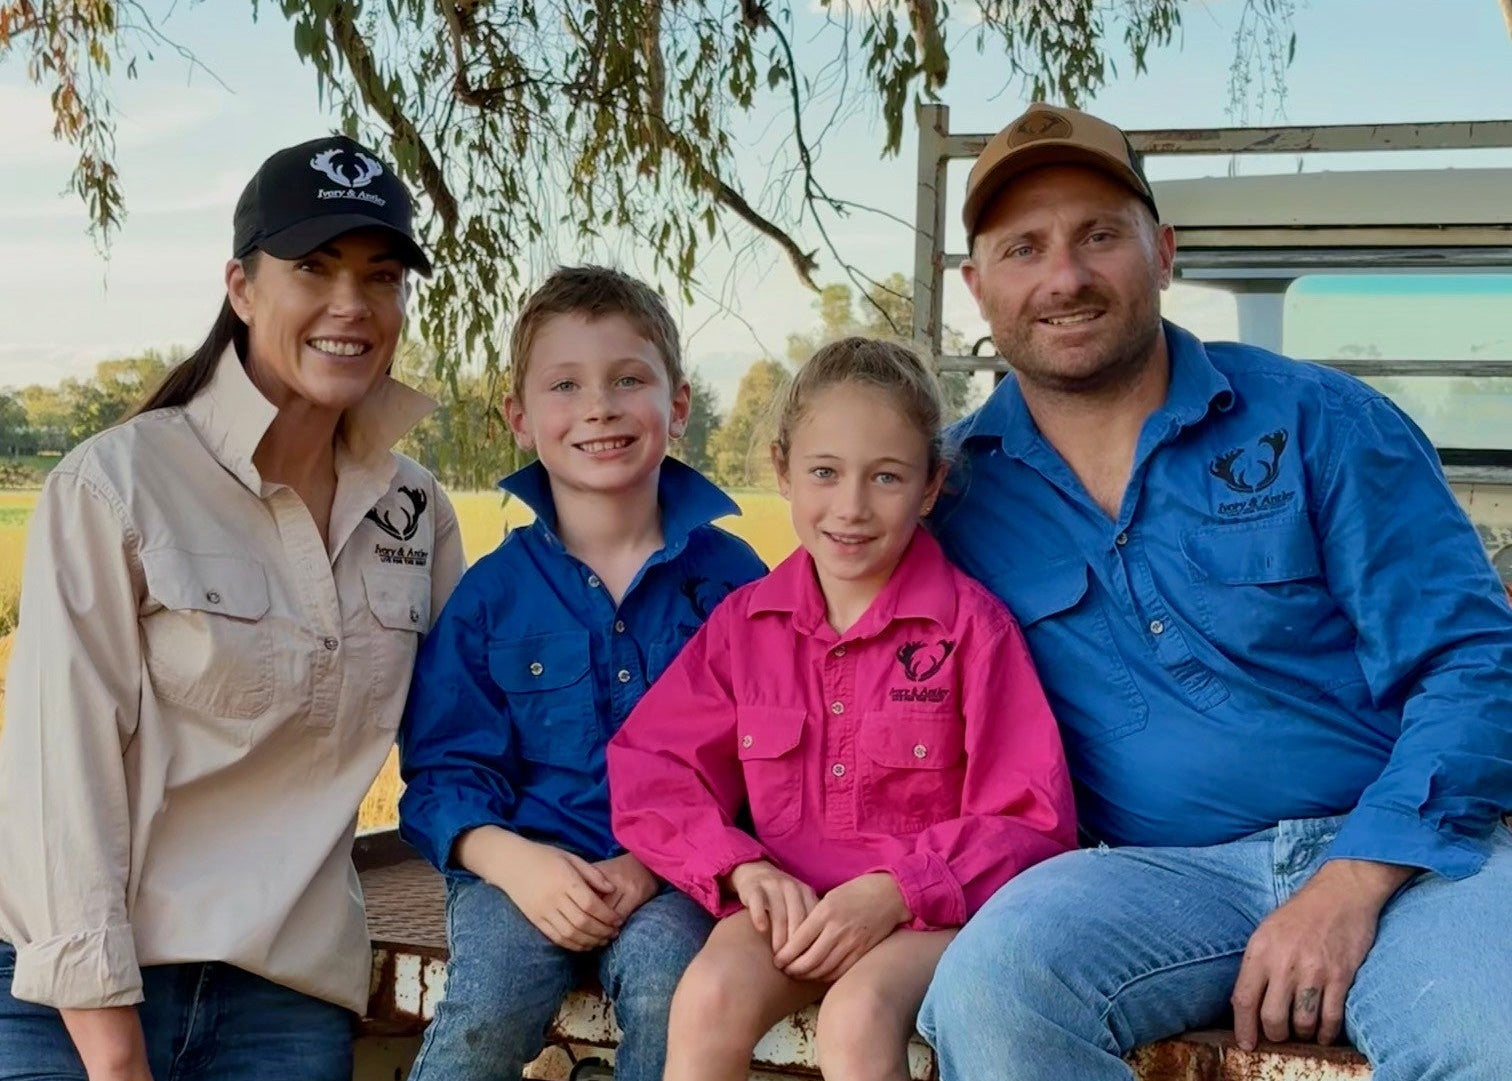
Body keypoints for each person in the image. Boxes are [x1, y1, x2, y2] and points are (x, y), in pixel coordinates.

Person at [915, 102, 1512, 1081]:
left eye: (1099, 235)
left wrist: (1353, 878)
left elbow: (1474, 664)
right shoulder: (953, 495)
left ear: (1164, 250)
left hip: (1404, 853)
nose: (1064, 276)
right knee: (993, 989)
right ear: (979, 287)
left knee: (1495, 1035)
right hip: (1144, 873)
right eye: (1024, 248)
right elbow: (819, 646)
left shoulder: (1323, 422)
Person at [0, 134, 465, 1081]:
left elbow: (469, 742)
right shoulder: (118, 485)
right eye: (314, 268)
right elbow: (60, 776)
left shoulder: (414, 510)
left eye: (381, 275)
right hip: (76, 996)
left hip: (284, 1002)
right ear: (242, 287)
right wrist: (113, 1050)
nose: (352, 304)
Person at [608, 337, 1076, 1081]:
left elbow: (1030, 817)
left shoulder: (972, 631)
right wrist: (741, 870)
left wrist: (898, 890)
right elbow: (651, 767)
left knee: (854, 1019)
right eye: (825, 473)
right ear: (783, 471)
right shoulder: (745, 625)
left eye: (886, 477)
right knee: (705, 995)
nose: (851, 508)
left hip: (927, 914)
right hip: (788, 910)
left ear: (929, 486)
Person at [395, 265, 766, 1081]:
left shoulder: (735, 583)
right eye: (566, 384)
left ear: (677, 404)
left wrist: (658, 862)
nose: (598, 406)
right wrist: (511, 861)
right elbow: (442, 770)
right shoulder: (492, 596)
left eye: (627, 379)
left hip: (680, 875)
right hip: (521, 863)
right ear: (521, 419)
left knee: (676, 983)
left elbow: (765, 758)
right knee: (488, 1005)